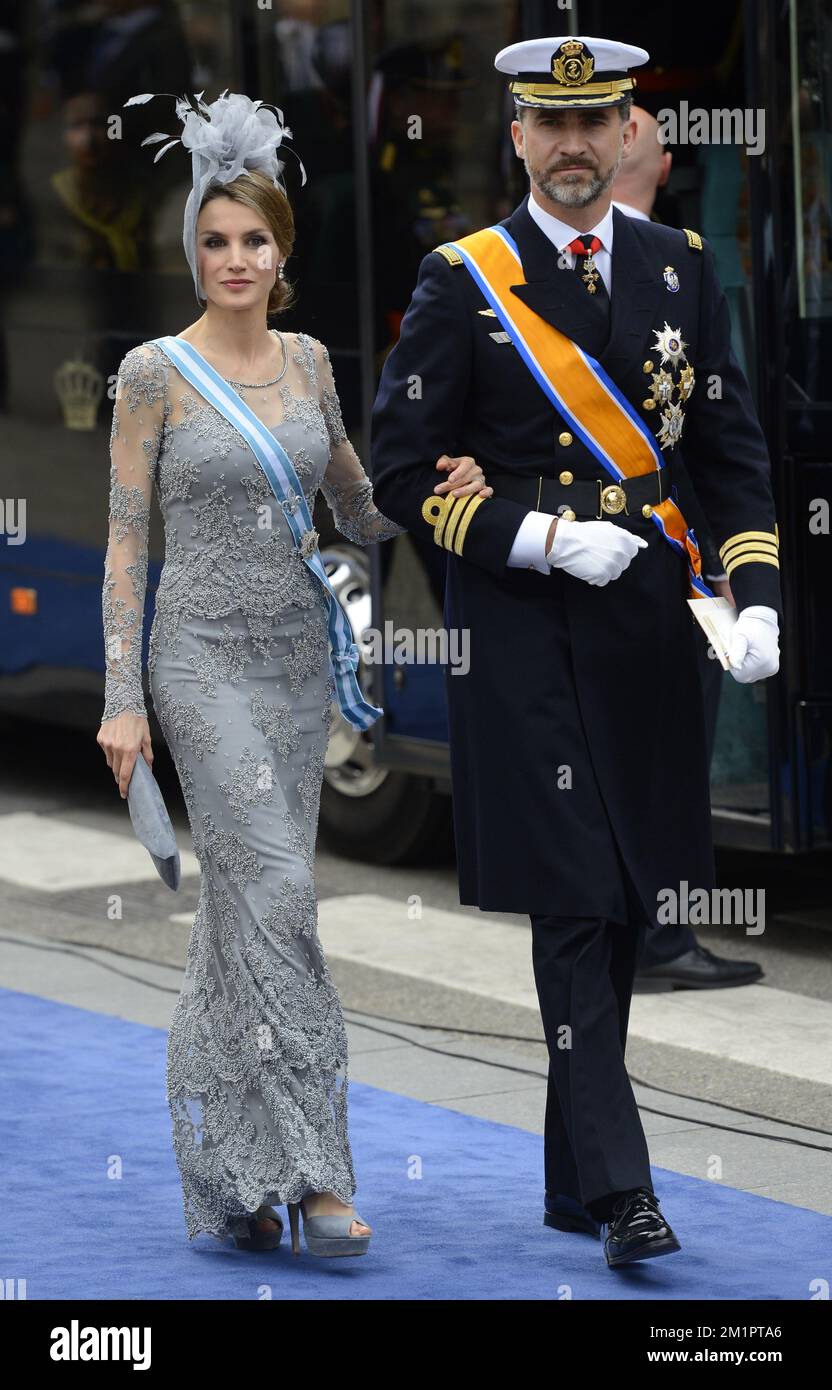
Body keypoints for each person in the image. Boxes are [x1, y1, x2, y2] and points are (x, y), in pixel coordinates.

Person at [370, 35, 781, 1267]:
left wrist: (754, 594)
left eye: (593, 121)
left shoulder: (679, 267)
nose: (571, 146)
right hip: (525, 635)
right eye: (547, 126)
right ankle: (621, 1192)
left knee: (621, 901)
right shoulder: (463, 280)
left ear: (628, 135)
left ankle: (566, 1178)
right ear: (514, 140)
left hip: (649, 631)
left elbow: (728, 450)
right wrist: (536, 535)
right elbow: (398, 469)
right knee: (573, 900)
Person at [95, 90, 489, 1258]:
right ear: (192, 252)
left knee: (239, 915)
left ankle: (231, 1174)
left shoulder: (313, 362)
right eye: (214, 241)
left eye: (252, 240)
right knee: (280, 897)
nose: (233, 259)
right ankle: (318, 1175)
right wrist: (122, 699)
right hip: (197, 661)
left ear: (281, 251)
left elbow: (360, 509)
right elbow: (124, 543)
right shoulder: (151, 374)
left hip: (292, 666)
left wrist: (449, 488)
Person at [612, 105, 762, 989]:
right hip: (614, 557)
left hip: (689, 553)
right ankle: (647, 936)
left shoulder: (685, 264)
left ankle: (662, 933)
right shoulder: (529, 265)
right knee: (645, 751)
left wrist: (735, 565)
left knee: (673, 746)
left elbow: (720, 434)